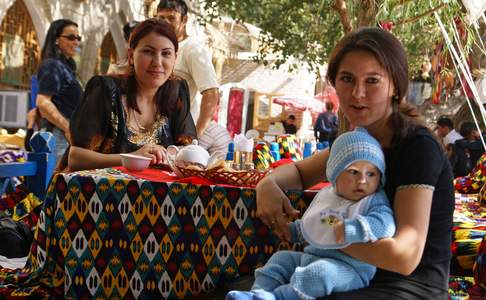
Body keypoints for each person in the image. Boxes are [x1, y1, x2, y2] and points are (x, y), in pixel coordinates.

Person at [254, 27, 454, 299]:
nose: (357, 93)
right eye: (347, 79)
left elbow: (405, 257)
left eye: (372, 81)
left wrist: (320, 235)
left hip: (409, 287)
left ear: (395, 86)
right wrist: (267, 184)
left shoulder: (417, 147)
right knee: (268, 276)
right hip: (350, 272)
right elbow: (301, 173)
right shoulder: (361, 141)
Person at [227, 129, 395, 299]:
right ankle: (258, 292)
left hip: (349, 269)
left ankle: (277, 297)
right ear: (335, 174)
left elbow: (384, 224)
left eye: (371, 174)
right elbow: (322, 221)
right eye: (353, 172)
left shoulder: (372, 200)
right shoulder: (331, 196)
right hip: (312, 256)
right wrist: (294, 231)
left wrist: (351, 229)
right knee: (280, 259)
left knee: (318, 275)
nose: (362, 180)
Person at [66, 19, 196, 172]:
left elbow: (189, 150)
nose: (157, 62)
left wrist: (171, 154)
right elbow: (75, 158)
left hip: (155, 192)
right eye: (148, 51)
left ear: (175, 57)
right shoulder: (105, 90)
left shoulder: (177, 91)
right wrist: (132, 157)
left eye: (166, 53)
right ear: (131, 55)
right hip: (92, 191)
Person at [156, 0, 219, 138]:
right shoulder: (157, 48)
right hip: (153, 134)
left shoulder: (193, 49)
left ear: (184, 20)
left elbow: (211, 93)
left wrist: (194, 136)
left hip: (177, 135)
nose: (165, 22)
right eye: (161, 18)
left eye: (171, 18)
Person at [35, 19, 83, 160]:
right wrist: (67, 128)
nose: (76, 42)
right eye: (71, 37)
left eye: (78, 38)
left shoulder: (65, 67)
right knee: (54, 180)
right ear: (56, 39)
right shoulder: (52, 65)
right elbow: (43, 102)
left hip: (64, 135)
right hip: (57, 135)